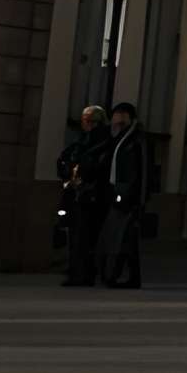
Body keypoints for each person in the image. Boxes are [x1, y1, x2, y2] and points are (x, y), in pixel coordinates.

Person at [96, 103, 149, 288]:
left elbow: (141, 171)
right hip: (118, 193)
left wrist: (138, 200)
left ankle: (114, 275)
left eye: (120, 115)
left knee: (121, 236)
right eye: (116, 115)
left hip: (127, 197)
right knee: (126, 239)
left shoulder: (136, 139)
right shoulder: (118, 138)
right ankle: (130, 277)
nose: (116, 119)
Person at [56, 105, 110, 284]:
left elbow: (98, 167)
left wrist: (85, 178)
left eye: (90, 121)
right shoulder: (82, 141)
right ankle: (76, 270)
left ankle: (84, 272)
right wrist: (67, 171)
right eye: (84, 120)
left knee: (85, 236)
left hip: (91, 195)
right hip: (76, 193)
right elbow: (65, 158)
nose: (86, 124)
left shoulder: (102, 142)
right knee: (75, 235)